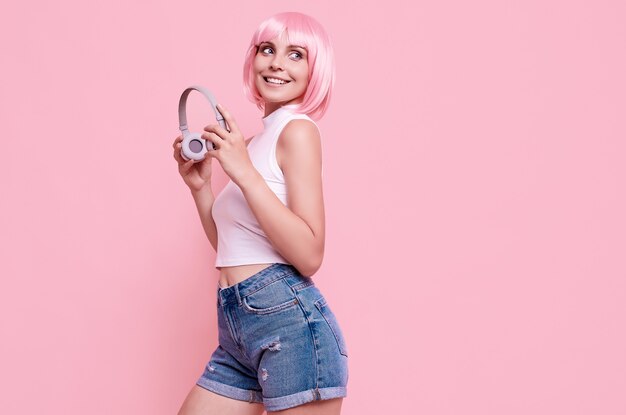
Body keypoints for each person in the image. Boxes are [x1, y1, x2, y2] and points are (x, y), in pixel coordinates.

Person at [173, 12, 349, 415]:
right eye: (267, 50)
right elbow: (234, 247)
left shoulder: (298, 131)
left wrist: (244, 173)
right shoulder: (250, 143)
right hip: (237, 328)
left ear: (315, 70)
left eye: (295, 55)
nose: (276, 63)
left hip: (290, 327)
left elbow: (310, 254)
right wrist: (201, 188)